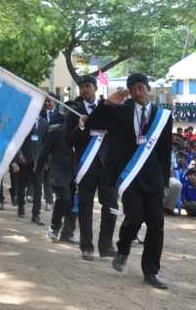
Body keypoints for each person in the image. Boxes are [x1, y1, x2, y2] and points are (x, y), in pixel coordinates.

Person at [86, 73, 172, 289]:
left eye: (140, 87)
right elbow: (92, 124)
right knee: (134, 218)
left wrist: (164, 182)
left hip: (153, 177)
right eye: (132, 89)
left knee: (156, 224)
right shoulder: (120, 111)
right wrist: (107, 104)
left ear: (148, 88)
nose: (137, 92)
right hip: (129, 176)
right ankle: (123, 249)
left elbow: (165, 151)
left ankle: (151, 271)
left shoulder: (163, 116)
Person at [66, 75, 118, 261]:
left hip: (107, 165)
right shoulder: (75, 111)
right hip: (86, 166)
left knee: (111, 205)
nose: (84, 90)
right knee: (85, 207)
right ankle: (86, 246)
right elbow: (68, 140)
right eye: (81, 87)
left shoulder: (108, 108)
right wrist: (80, 127)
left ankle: (106, 245)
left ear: (95, 88)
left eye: (87, 86)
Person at [37, 101, 77, 243]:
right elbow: (45, 151)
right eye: (70, 112)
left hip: (76, 174)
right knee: (65, 199)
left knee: (74, 204)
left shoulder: (84, 132)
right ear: (65, 114)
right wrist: (39, 168)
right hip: (59, 172)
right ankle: (54, 228)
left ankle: (68, 232)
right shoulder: (55, 131)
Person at [15, 114, 48, 225]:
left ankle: (36, 214)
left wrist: (44, 159)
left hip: (38, 162)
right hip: (25, 160)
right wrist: (20, 155)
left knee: (38, 189)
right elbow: (17, 139)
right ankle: (21, 206)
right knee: (21, 186)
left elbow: (46, 142)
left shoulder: (44, 123)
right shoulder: (24, 120)